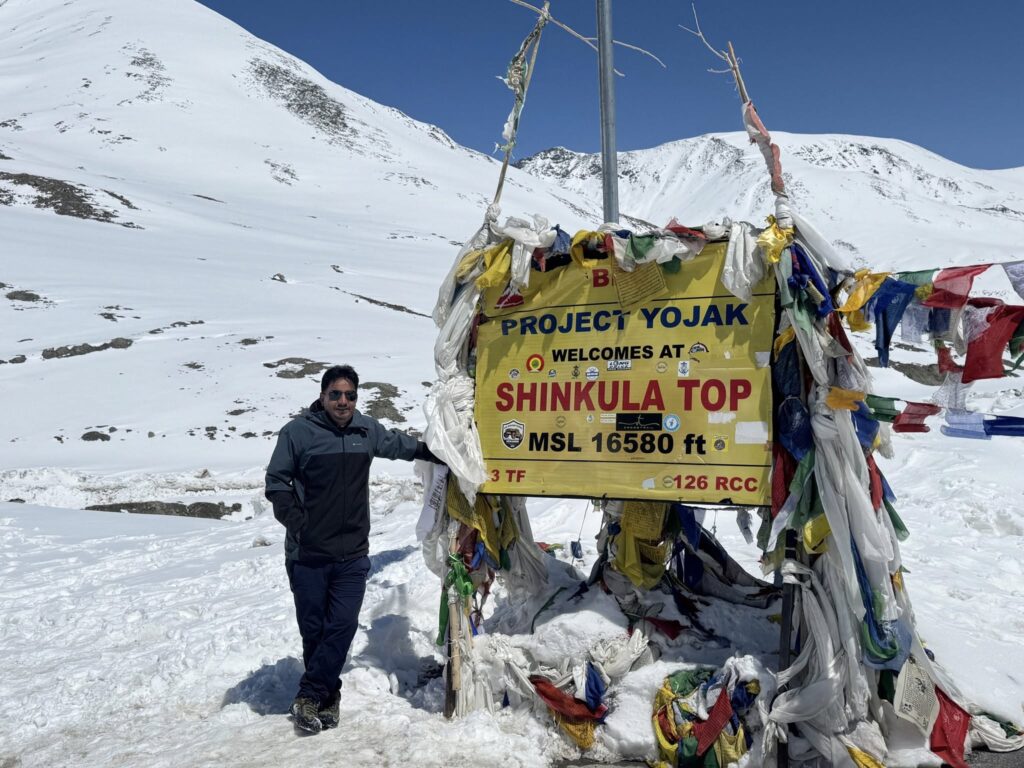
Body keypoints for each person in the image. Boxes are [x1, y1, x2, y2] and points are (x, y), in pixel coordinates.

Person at [265, 364, 440, 734]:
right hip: (308, 553)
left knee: (341, 626)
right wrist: (299, 524)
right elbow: (277, 482)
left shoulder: (365, 430)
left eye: (350, 395)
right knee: (314, 630)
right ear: (323, 395)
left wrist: (437, 453)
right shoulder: (298, 433)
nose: (343, 401)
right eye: (336, 394)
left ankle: (310, 694)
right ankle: (328, 698)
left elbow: (399, 445)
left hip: (352, 553)